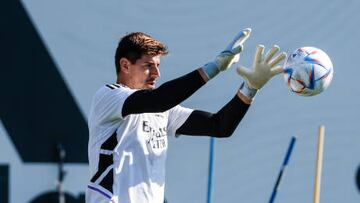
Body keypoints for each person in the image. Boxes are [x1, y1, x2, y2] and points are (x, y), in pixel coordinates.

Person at [86, 28, 286, 203]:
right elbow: (160, 100)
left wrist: (251, 88)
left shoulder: (163, 111)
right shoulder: (109, 96)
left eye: (158, 65)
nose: (156, 73)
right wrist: (214, 67)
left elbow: (220, 126)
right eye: (148, 65)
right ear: (125, 65)